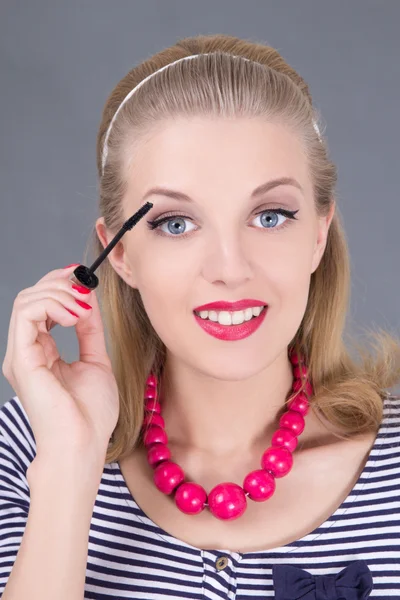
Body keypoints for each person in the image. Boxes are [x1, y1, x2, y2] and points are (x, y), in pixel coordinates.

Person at [1, 33, 400, 599]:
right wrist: (69, 464)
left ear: (317, 234)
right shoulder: (26, 451)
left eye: (269, 216)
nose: (229, 269)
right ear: (119, 254)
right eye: (175, 223)